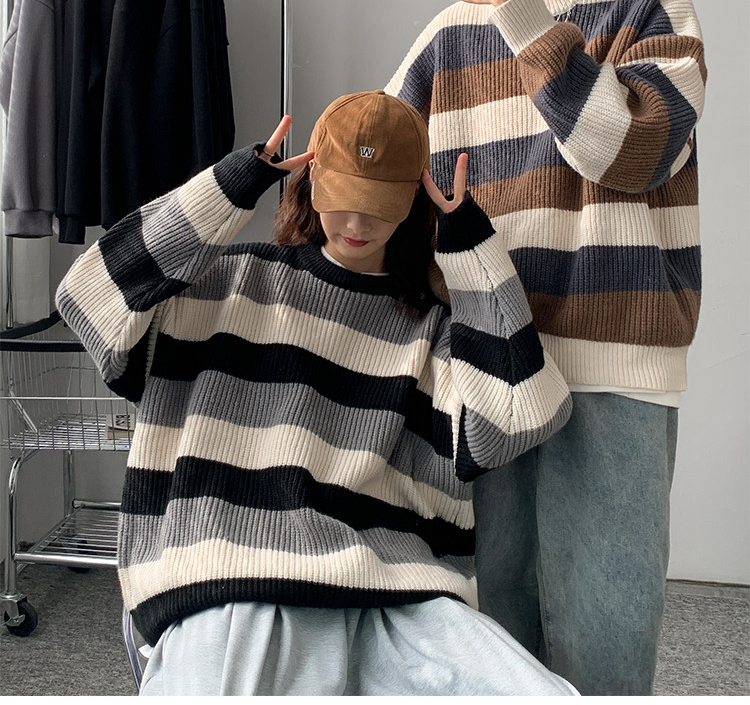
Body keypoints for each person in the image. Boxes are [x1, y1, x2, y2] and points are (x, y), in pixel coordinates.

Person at [56, 90, 575, 696]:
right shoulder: (227, 282)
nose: (357, 224)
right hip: (233, 574)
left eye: (378, 206)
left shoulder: (430, 329)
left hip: (396, 594)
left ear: (412, 199)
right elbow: (87, 298)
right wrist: (229, 186)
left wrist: (469, 245)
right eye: (342, 199)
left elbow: (515, 419)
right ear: (310, 180)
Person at [384, 0, 706, 696]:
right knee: (492, 637)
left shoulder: (650, 5)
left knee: (605, 641)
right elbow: (379, 178)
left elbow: (628, 155)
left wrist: (525, 21)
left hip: (612, 365)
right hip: (486, 367)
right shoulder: (445, 37)